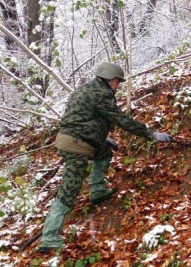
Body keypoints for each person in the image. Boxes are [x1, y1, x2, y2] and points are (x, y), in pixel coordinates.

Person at [37, 62, 172, 253]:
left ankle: (97, 191)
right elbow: (121, 119)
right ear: (111, 80)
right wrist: (150, 134)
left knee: (104, 152)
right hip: (77, 145)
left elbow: (81, 117)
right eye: (118, 82)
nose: (118, 87)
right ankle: (49, 237)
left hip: (72, 138)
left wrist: (101, 137)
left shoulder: (86, 89)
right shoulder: (101, 94)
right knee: (70, 189)